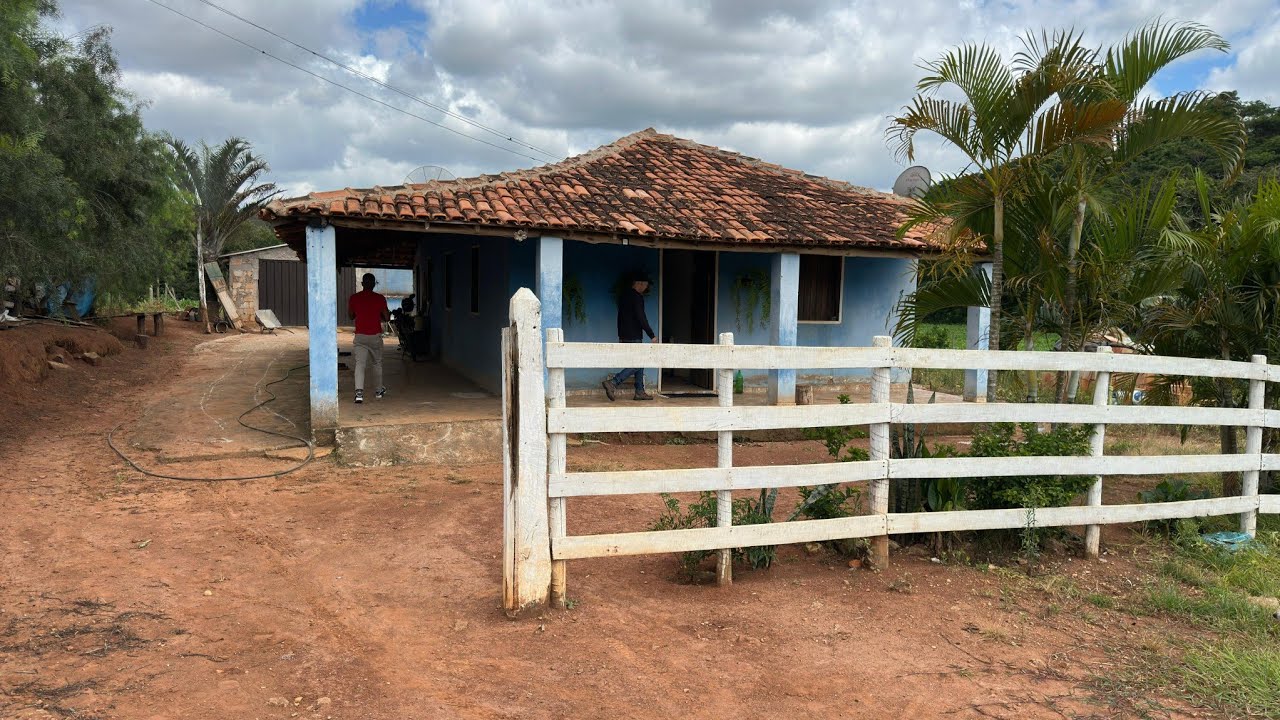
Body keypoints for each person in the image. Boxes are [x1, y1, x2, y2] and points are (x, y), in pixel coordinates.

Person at [602, 273, 658, 401]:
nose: (645, 288)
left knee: (639, 361)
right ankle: (614, 382)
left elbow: (619, 318)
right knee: (638, 362)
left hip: (624, 335)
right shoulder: (637, 297)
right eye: (645, 285)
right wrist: (652, 335)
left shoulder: (624, 296)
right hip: (633, 335)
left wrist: (620, 335)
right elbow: (641, 317)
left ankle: (639, 391)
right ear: (639, 283)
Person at [348, 272, 390, 404]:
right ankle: (378, 391)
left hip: (360, 336)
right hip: (375, 337)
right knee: (377, 363)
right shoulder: (380, 298)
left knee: (360, 364)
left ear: (362, 284)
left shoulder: (354, 298)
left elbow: (351, 316)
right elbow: (387, 318)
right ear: (374, 285)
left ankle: (359, 393)